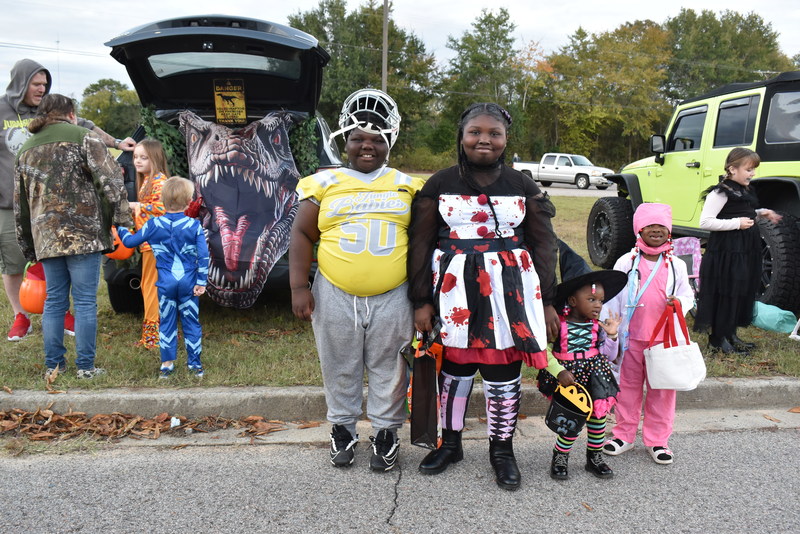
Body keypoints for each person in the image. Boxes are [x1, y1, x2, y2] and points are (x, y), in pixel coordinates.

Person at [407, 102, 559, 491]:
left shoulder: (523, 185)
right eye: (475, 132)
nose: (484, 140)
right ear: (461, 136)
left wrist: (546, 301)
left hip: (509, 293)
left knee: (501, 372)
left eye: (494, 133)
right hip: (454, 293)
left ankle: (502, 451)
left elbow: (544, 245)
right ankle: (451, 443)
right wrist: (421, 300)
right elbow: (421, 244)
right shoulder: (439, 184)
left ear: (506, 140)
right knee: (454, 372)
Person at [289, 89, 423, 472]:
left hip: (393, 293)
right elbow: (301, 234)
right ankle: (343, 429)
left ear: (390, 142)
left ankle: (385, 432)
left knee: (391, 366)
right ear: (344, 142)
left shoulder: (407, 185)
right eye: (358, 138)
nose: (367, 146)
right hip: (333, 289)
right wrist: (299, 287)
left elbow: (423, 241)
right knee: (339, 362)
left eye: (377, 139)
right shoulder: (324, 182)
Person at [1, 58, 134, 341]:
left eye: (45, 84)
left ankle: (60, 311)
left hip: (49, 203)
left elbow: (87, 127)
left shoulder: (52, 111)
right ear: (20, 83)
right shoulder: (1, 110)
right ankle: (20, 316)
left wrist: (118, 143)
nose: (41, 89)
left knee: (55, 258)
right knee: (13, 263)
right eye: (36, 84)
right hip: (8, 200)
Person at [14, 93, 132, 379]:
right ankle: (86, 368)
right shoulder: (84, 137)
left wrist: (28, 245)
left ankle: (54, 366)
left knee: (54, 301)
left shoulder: (25, 148)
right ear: (70, 114)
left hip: (46, 237)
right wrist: (122, 219)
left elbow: (21, 204)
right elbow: (113, 180)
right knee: (84, 301)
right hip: (85, 234)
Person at [601, 203, 694, 465]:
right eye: (649, 226)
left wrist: (678, 304)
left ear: (669, 231)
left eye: (661, 226)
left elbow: (688, 296)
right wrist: (611, 327)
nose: (656, 230)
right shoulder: (626, 261)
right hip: (631, 338)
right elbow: (613, 295)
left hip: (662, 340)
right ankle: (624, 434)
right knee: (627, 388)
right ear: (638, 230)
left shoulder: (676, 265)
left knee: (662, 390)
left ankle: (658, 440)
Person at [537, 256, 626, 481]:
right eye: (591, 299)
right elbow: (543, 351)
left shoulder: (598, 326)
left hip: (596, 376)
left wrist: (612, 335)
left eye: (601, 300)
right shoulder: (556, 322)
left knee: (598, 419)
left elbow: (608, 355)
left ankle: (594, 457)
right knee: (571, 419)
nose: (598, 305)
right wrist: (559, 371)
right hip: (569, 378)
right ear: (573, 301)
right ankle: (560, 457)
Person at [118, 176, 209, 378]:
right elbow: (203, 256)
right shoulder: (194, 226)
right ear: (188, 202)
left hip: (165, 284)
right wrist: (201, 281)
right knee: (191, 322)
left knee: (166, 321)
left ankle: (166, 364)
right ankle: (195, 366)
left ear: (163, 201)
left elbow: (131, 242)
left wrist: (121, 228)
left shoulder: (153, 225)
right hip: (189, 283)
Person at [694, 148, 782, 354]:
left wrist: (761, 213)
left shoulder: (743, 190)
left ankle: (730, 334)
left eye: (753, 170)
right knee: (726, 292)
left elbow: (744, 213)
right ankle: (717, 340)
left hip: (744, 251)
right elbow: (705, 221)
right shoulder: (719, 192)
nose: (752, 174)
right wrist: (736, 223)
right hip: (726, 253)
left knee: (739, 292)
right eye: (748, 169)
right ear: (732, 169)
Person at [128, 138, 169, 349]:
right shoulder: (147, 181)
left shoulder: (159, 181)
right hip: (149, 244)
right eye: (136, 157)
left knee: (152, 288)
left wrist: (137, 205)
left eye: (144, 157)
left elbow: (162, 208)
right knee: (148, 286)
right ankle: (156, 334)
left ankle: (153, 339)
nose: (138, 161)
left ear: (156, 158)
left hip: (157, 244)